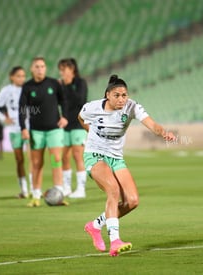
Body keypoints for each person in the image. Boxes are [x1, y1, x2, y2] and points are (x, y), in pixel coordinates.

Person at [79, 75, 175, 256]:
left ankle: (95, 225)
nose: (122, 99)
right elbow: (81, 117)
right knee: (113, 190)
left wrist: (163, 133)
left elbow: (152, 124)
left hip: (116, 157)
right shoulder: (92, 107)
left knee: (132, 201)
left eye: (124, 95)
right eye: (117, 95)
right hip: (95, 154)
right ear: (107, 95)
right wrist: (90, 131)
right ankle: (115, 241)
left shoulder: (132, 107)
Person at [19, 57, 68, 207]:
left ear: (45, 68)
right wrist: (23, 128)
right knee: (36, 163)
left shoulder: (53, 84)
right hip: (36, 132)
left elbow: (63, 101)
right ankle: (36, 196)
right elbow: (22, 109)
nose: (40, 69)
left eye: (42, 66)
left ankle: (59, 195)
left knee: (56, 160)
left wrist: (65, 116)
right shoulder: (27, 87)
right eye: (37, 66)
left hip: (54, 130)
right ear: (32, 69)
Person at [0, 66, 33, 198]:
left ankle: (35, 189)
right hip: (15, 129)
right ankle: (24, 190)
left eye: (23, 76)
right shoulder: (7, 91)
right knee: (19, 160)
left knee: (32, 159)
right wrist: (4, 118)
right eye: (18, 76)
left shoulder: (29, 88)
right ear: (12, 77)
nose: (21, 78)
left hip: (29, 127)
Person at [58, 58, 88, 198]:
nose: (62, 72)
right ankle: (67, 187)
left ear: (72, 70)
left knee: (77, 155)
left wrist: (69, 85)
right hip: (65, 124)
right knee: (64, 156)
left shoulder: (80, 83)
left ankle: (81, 189)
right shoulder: (61, 85)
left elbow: (80, 101)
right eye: (61, 69)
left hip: (78, 123)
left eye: (64, 69)